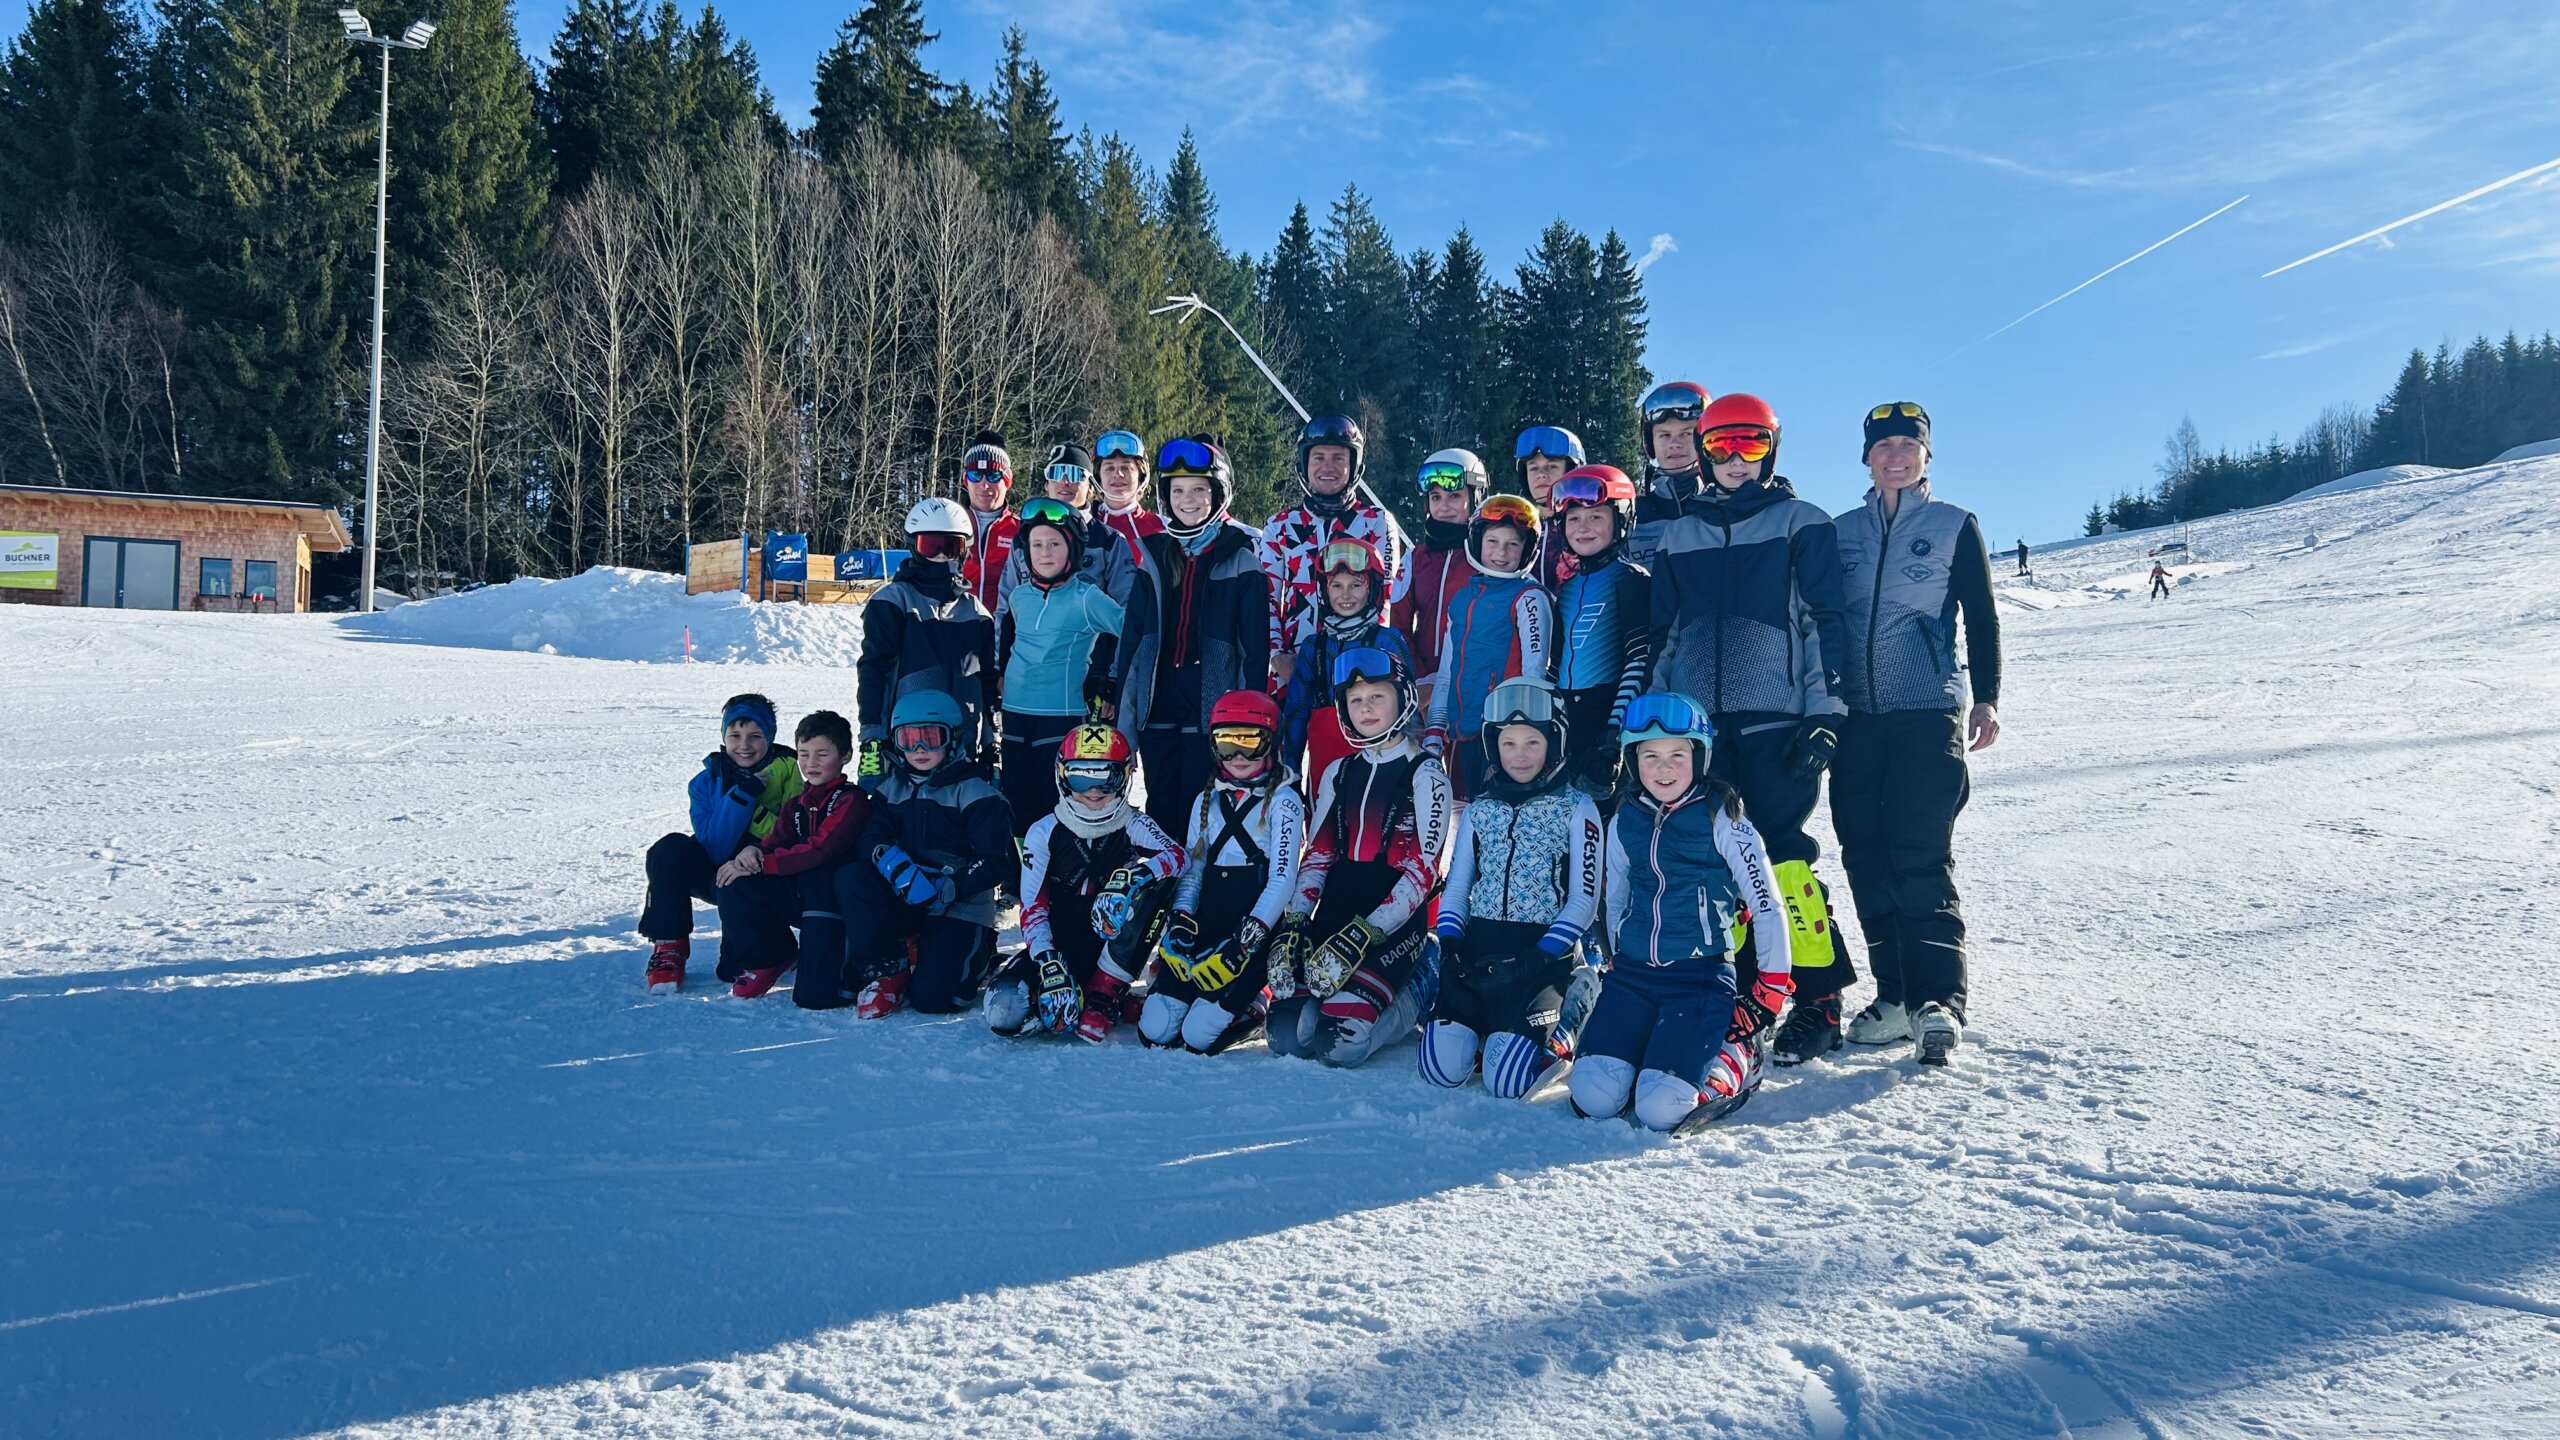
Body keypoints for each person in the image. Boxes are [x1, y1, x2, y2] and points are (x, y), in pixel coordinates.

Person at [1644, 392, 1856, 1065]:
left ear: (1772, 449)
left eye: (1752, 444)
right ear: (1705, 453)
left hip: (1775, 722)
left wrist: (1825, 713)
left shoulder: (1801, 523)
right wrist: (1651, 723)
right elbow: (1663, 636)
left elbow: (1826, 621)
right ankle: (1746, 991)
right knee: (1718, 864)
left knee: (1784, 860)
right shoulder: (1682, 535)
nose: (1736, 459)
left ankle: (1819, 1000)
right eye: (1723, 446)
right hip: (1699, 730)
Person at [1832, 401, 2002, 1066]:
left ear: (1926, 455)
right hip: (1854, 720)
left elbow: (1982, 618)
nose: (1895, 456)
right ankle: (1894, 996)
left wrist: (1985, 697)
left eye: (1908, 445)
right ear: (1867, 458)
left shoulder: (1955, 525)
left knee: (1919, 855)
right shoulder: (1842, 532)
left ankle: (1938, 1003)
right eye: (1884, 447)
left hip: (1925, 713)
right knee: (1864, 855)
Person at [1569, 694, 1790, 1132]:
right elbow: (1616, 894)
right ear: (1633, 761)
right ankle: (1652, 1046)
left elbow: (1766, 904)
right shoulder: (1625, 817)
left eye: (1677, 755)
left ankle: (1741, 1052)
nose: (1663, 768)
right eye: (1650, 756)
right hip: (1633, 975)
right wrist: (1614, 953)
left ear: (1700, 756)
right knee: (1594, 1096)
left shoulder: (1723, 815)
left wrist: (1771, 987)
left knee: (1660, 1109)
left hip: (1698, 977)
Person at [1418, 678, 1604, 1100]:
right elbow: (1458, 886)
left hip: (1541, 957)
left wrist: (1536, 958)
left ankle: (1579, 996)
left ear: (1553, 743)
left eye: (1532, 743)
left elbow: (1583, 900)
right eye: (1509, 744)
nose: (1520, 755)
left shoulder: (1578, 808)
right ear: (1493, 747)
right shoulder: (1481, 809)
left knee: (1508, 1082)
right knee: (1439, 1071)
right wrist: (1450, 949)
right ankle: (1490, 1025)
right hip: (1478, 951)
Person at [1269, 646, 1452, 1067]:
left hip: (1392, 923)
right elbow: (1317, 856)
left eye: (1377, 697)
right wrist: (1296, 920)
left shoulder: (1426, 774)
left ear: (1402, 698)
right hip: (1335, 912)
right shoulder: (1340, 771)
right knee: (1286, 1036)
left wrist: (1364, 933)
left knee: (1341, 1043)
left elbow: (1423, 873)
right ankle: (1343, 996)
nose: (1366, 709)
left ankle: (1423, 978)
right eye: (1355, 700)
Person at [987, 724, 1186, 1042]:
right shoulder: (1043, 832)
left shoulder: (1133, 822)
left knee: (1162, 882)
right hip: (1060, 939)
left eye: (1107, 778)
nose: (1094, 790)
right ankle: (1094, 997)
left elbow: (1179, 857)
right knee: (1004, 1007)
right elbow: (1033, 911)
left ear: (1125, 777)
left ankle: (1107, 990)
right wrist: (1048, 964)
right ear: (1062, 776)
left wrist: (1134, 878)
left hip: (1112, 936)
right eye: (1081, 777)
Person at [1145, 690, 1306, 1054]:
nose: (1237, 757)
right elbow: (1194, 869)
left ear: (1272, 743)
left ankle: (1255, 1001)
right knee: (1156, 1028)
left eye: (1249, 743)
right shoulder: (1206, 800)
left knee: (1198, 1036)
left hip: (1251, 929)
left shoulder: (1284, 800)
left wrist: (1245, 943)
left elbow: (1283, 879)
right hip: (1208, 922)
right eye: (1227, 742)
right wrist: (1182, 917)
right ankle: (1194, 995)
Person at [837, 691, 1014, 1018]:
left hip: (959, 905)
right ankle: (889, 967)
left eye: (931, 738)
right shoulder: (893, 788)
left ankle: (979, 955)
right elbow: (869, 838)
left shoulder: (976, 791)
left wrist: (954, 886)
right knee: (852, 878)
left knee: (935, 1001)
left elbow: (993, 860)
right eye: (908, 739)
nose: (919, 750)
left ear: (954, 738)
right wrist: (893, 863)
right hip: (908, 895)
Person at [1136, 436, 1272, 838]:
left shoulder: (1241, 557)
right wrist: (1123, 697)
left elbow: (1254, 646)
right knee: (1160, 797)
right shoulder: (1155, 554)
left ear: (1218, 495)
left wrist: (1250, 707)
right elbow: (1134, 635)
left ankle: (1194, 885)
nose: (1187, 499)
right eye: (1177, 490)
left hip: (1210, 695)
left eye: (1199, 489)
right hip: (1158, 696)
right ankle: (1157, 877)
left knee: (1199, 797)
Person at [639, 694, 804, 993]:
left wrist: (752, 820)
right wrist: (743, 795)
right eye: (735, 735)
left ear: (770, 737)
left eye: (755, 736)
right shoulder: (704, 781)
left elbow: (791, 832)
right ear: (723, 736)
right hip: (718, 871)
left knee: (733, 969)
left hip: (760, 875)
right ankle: (668, 947)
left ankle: (779, 949)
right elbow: (713, 846)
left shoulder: (788, 772)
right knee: (669, 850)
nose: (744, 745)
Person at [998, 442, 1159, 747]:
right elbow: (1007, 611)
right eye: (1057, 474)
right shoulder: (1025, 538)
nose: (1066, 483)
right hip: (1026, 691)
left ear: (1091, 486)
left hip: (1084, 688)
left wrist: (1112, 680)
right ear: (1046, 482)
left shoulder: (1109, 541)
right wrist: (999, 668)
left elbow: (1126, 617)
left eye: (1076, 474)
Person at [712, 710, 872, 1004]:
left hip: (833, 904)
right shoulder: (795, 805)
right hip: (799, 895)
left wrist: (767, 863)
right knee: (734, 880)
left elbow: (820, 849)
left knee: (816, 997)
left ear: (845, 756)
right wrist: (752, 853)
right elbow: (775, 842)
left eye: (821, 754)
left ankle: (861, 961)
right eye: (803, 754)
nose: (811, 763)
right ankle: (766, 958)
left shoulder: (852, 800)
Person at [997, 497, 1124, 839]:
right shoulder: (1020, 596)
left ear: (1073, 549)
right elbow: (1009, 640)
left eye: (1054, 544)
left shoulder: (1086, 597)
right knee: (1017, 800)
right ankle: (1023, 881)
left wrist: (1111, 679)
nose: (1045, 552)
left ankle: (1060, 879)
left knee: (1054, 803)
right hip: (1013, 714)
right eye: (1036, 544)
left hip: (1059, 714)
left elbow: (1131, 631)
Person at [855, 496, 997, 779]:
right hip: (907, 744)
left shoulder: (976, 612)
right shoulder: (893, 601)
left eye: (951, 547)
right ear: (914, 548)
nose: (941, 556)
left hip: (960, 742)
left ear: (964, 550)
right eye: (931, 546)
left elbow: (989, 683)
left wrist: (992, 741)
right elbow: (874, 671)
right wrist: (872, 736)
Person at [1424, 494, 1552, 804]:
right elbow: (1447, 674)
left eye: (1513, 544)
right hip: (1463, 735)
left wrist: (1526, 738)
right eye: (1493, 541)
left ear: (1528, 549)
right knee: (1470, 822)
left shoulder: (1530, 596)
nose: (1501, 552)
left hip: (1505, 738)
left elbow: (1536, 673)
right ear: (1477, 542)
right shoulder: (1463, 598)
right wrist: (1433, 735)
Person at [1260, 414, 1401, 690]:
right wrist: (1278, 657)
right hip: (1294, 669)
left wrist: (1365, 658)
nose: (1328, 467)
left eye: (1338, 458)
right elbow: (1266, 598)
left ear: (1354, 464)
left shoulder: (1375, 521)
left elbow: (1384, 599)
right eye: (1319, 457)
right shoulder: (1280, 526)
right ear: (1304, 464)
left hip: (1355, 671)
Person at [1549, 465, 1653, 802]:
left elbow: (1640, 660)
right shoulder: (1565, 590)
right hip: (1567, 720)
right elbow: (1554, 665)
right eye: (1574, 518)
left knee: (1606, 829)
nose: (1583, 528)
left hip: (1608, 717)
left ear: (1621, 521)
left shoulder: (1631, 580)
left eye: (1596, 517)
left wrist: (1614, 738)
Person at [1282, 537, 1411, 793]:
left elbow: (1409, 711)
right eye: (1336, 586)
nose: (1345, 595)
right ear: (1324, 590)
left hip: (1382, 763)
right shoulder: (1314, 647)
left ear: (1372, 589)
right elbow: (1296, 713)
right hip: (1325, 759)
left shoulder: (1388, 641)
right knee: (1326, 827)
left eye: (1356, 585)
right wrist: (1291, 772)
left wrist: (1413, 766)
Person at [1392, 448, 1482, 725]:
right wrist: (1420, 679)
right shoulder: (1416, 558)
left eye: (1455, 496)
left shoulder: (1486, 558)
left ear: (1475, 497)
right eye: (1435, 497)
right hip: (1420, 689)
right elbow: (1397, 626)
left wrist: (1452, 681)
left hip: (1470, 687)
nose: (1444, 506)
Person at [1513, 425, 1586, 586]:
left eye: (1552, 466)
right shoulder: (1518, 527)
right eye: (1533, 468)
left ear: (1572, 470)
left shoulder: (1587, 527)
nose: (1541, 475)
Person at [1633, 381, 1710, 527]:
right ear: (1650, 443)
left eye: (1686, 434)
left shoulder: (1727, 507)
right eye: (1664, 435)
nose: (1674, 444)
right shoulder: (1633, 517)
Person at [959, 433, 1016, 615]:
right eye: (976, 475)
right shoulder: (951, 527)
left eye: (993, 475)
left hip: (1006, 633)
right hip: (957, 631)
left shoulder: (1024, 530)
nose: (984, 485)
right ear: (965, 480)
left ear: (1008, 480)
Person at [1094, 428, 1166, 567]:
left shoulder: (1163, 528)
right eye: (1109, 468)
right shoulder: (1084, 525)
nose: (1118, 474)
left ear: (1141, 476)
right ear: (1098, 477)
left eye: (1126, 468)